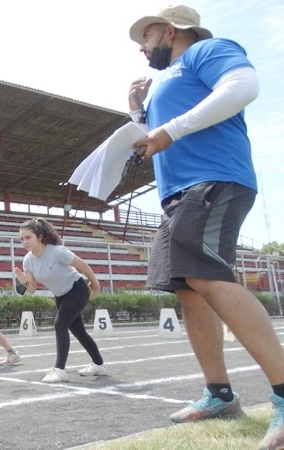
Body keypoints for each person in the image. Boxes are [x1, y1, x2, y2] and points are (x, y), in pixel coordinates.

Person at [126, 5, 284, 447]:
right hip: (178, 194)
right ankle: (219, 394)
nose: (141, 46)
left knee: (205, 275)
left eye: (146, 35)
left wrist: (169, 129)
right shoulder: (163, 85)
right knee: (188, 289)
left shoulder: (208, 50)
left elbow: (243, 85)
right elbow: (157, 135)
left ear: (170, 30)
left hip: (213, 179)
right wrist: (139, 112)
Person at [14, 218, 105, 383]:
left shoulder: (57, 251)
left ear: (39, 236)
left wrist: (95, 281)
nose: (24, 242)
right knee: (79, 331)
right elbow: (32, 289)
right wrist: (24, 281)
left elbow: (82, 265)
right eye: (22, 239)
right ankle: (99, 364)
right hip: (61, 295)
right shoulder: (28, 260)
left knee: (60, 323)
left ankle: (59, 370)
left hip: (77, 289)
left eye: (28, 238)